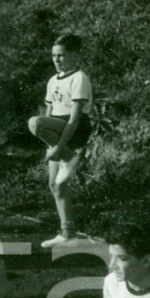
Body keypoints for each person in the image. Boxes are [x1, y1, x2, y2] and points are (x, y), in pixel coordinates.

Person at [27, 33, 93, 248]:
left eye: (62, 56)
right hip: (57, 131)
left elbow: (74, 119)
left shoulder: (79, 78)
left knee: (34, 123)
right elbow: (49, 114)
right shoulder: (53, 80)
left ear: (75, 55)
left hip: (76, 128)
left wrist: (61, 147)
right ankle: (68, 234)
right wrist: (51, 147)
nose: (57, 60)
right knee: (55, 185)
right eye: (54, 56)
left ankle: (70, 157)